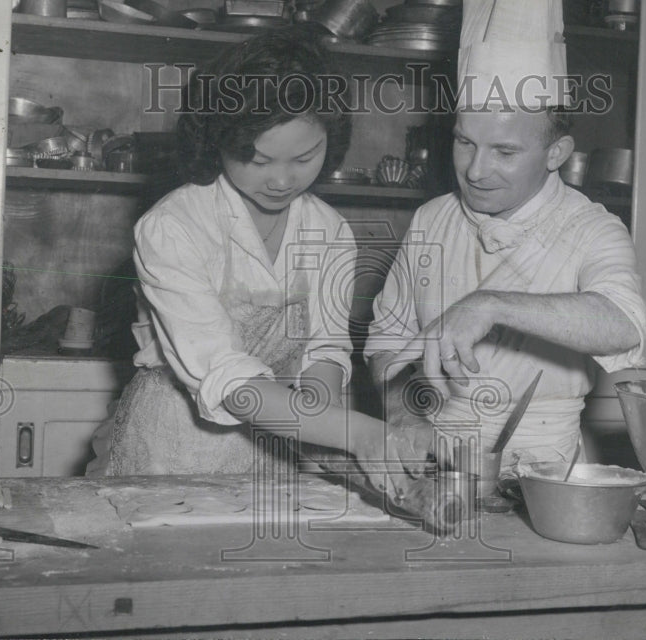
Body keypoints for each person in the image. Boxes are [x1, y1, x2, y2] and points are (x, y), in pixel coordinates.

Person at [87, 26, 416, 497]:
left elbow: (324, 348)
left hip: (277, 444)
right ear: (217, 140)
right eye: (258, 160)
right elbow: (225, 375)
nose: (282, 181)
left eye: (305, 157)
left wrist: (317, 426)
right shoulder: (175, 226)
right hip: (173, 446)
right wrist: (355, 431)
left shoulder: (329, 230)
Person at [364, 0, 646, 474]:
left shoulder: (591, 228)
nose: (474, 170)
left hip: (545, 464)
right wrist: (403, 414)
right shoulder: (432, 220)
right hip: (436, 457)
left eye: (505, 151)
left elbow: (625, 324)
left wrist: (489, 303)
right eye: (464, 142)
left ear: (556, 153)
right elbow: (388, 342)